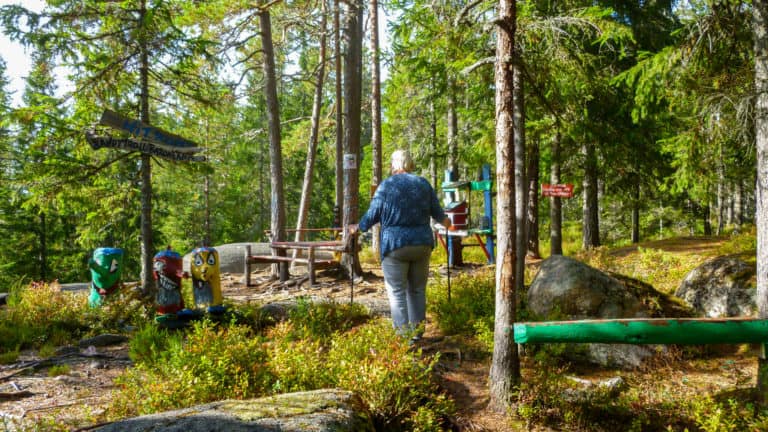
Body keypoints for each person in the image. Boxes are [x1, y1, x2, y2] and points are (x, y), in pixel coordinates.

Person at [350, 149, 452, 341]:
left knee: (397, 292)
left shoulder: (386, 185)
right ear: (410, 163)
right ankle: (417, 334)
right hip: (421, 243)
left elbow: (373, 214)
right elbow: (439, 214)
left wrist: (358, 228)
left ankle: (404, 339)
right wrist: (447, 223)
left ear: (394, 164)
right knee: (417, 290)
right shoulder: (422, 184)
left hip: (395, 245)